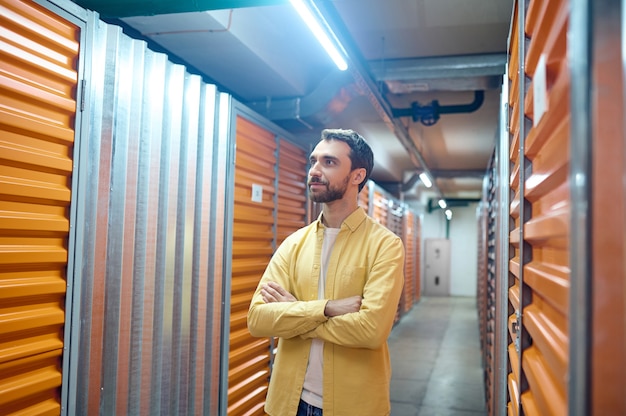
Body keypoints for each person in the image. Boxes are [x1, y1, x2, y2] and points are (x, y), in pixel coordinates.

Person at [247, 128, 405, 416]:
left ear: (357, 175)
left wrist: (294, 312)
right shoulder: (294, 243)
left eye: (329, 162)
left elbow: (371, 331)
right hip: (288, 403)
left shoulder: (385, 245)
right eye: (313, 161)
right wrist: (328, 308)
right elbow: (258, 320)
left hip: (353, 406)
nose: (315, 171)